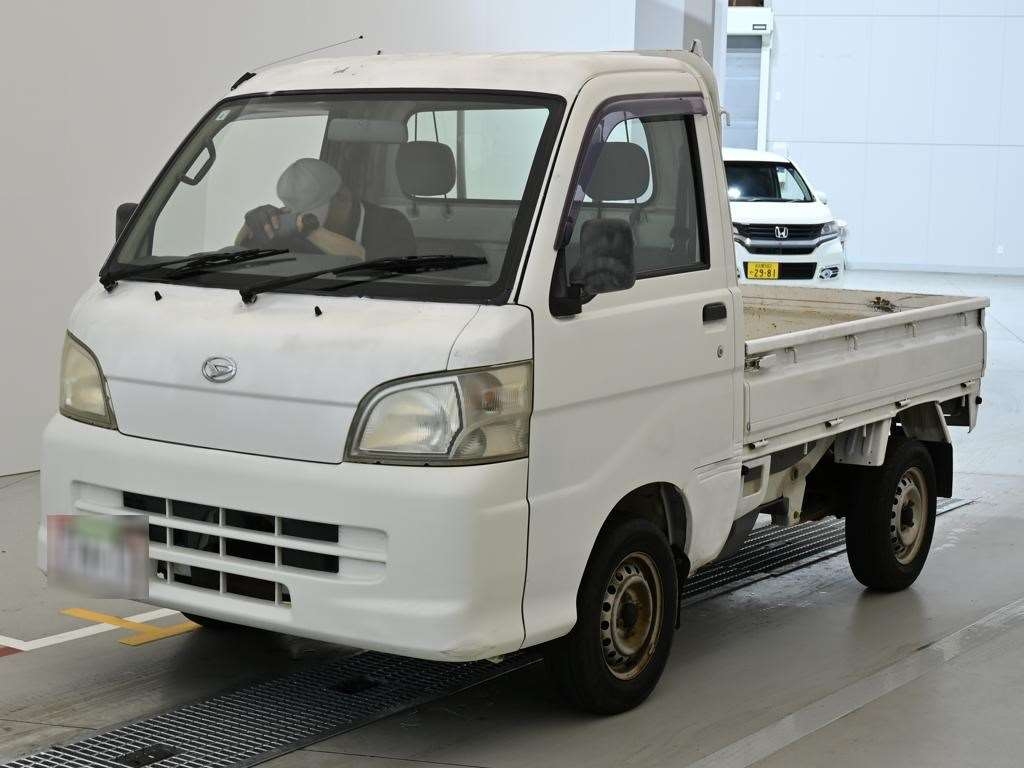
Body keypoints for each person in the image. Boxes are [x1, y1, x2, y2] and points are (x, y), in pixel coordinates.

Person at [238, 157, 416, 261]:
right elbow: (239, 258)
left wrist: (311, 230)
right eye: (296, 214)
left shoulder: (391, 224)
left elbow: (374, 264)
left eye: (312, 216)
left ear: (343, 198)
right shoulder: (295, 228)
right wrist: (251, 225)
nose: (303, 221)